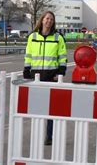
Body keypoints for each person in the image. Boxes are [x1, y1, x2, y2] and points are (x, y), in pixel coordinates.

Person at [23, 11, 67, 146]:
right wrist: (26, 69)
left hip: (51, 76)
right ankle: (36, 134)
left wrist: (61, 72)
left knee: (50, 109)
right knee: (36, 107)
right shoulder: (32, 37)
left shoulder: (58, 38)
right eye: (47, 18)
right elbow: (28, 54)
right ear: (42, 20)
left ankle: (49, 136)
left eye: (51, 19)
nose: (49, 21)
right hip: (36, 76)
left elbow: (63, 56)